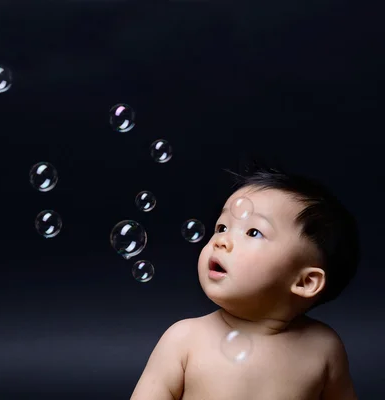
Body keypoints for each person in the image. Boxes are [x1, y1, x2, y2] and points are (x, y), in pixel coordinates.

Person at [131, 160, 359, 400]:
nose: (221, 240)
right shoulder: (184, 340)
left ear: (305, 282)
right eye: (221, 227)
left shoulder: (323, 348)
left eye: (253, 232)